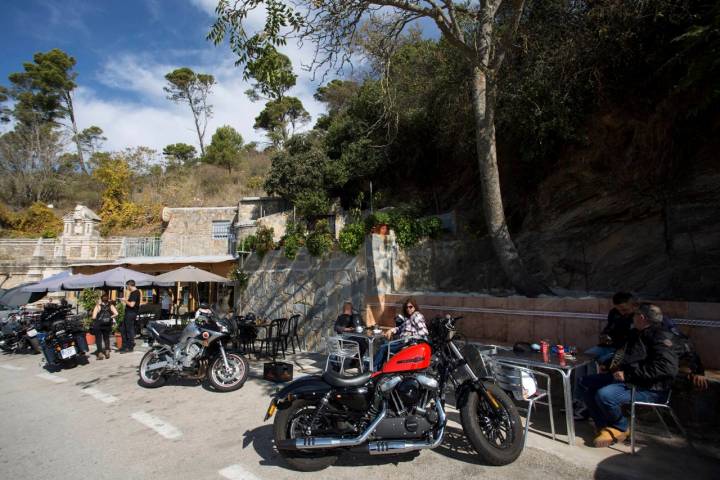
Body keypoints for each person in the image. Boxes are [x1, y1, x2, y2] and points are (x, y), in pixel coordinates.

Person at [581, 303, 679, 448]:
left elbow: (666, 368)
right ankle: (604, 426)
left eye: (635, 315)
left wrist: (628, 374)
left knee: (605, 395)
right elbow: (623, 355)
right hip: (628, 379)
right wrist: (609, 365)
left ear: (641, 317)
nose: (632, 317)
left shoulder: (661, 336)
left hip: (650, 387)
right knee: (585, 382)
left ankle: (621, 426)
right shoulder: (635, 333)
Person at [373, 297, 428, 370]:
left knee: (383, 348)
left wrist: (411, 335)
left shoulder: (416, 316)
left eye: (410, 307)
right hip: (402, 341)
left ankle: (371, 368)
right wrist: (391, 330)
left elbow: (424, 332)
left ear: (415, 307)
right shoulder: (409, 318)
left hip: (406, 343)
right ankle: (378, 369)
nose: (408, 309)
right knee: (384, 344)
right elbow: (400, 328)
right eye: (407, 307)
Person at [588, 292, 636, 364]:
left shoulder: (638, 317)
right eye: (619, 310)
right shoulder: (614, 312)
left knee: (602, 361)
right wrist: (604, 335)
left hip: (623, 350)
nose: (622, 313)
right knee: (586, 357)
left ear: (633, 305)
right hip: (608, 346)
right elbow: (609, 327)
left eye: (624, 310)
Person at [91, 294, 118, 360]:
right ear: (108, 299)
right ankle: (107, 351)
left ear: (101, 299)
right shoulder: (111, 305)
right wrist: (109, 317)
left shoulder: (98, 306)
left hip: (99, 324)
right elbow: (116, 313)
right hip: (107, 324)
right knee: (106, 338)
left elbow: (93, 317)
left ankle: (100, 353)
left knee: (98, 339)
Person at [118, 280, 140, 353]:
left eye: (127, 286)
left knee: (129, 330)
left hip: (131, 313)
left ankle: (129, 347)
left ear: (130, 285)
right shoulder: (135, 292)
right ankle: (124, 346)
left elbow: (132, 305)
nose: (127, 288)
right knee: (123, 329)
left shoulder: (135, 293)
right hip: (129, 313)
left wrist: (125, 300)